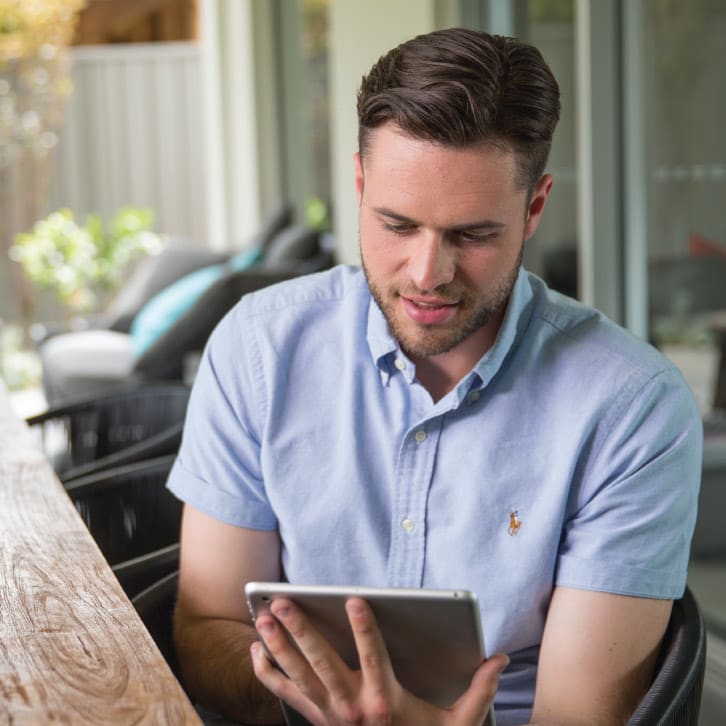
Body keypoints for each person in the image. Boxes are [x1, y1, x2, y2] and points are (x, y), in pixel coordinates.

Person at [167, 27, 702, 726]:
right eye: (396, 224)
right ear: (360, 185)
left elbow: (577, 719)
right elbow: (206, 628)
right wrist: (323, 697)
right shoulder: (259, 348)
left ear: (534, 208)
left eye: (472, 236)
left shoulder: (632, 409)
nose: (427, 275)